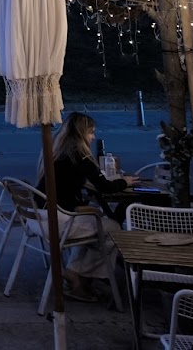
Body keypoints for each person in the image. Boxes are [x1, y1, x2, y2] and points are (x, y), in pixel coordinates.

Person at [37, 111, 138, 302]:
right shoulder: (80, 156)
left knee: (96, 223)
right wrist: (125, 181)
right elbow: (105, 187)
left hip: (39, 217)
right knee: (112, 228)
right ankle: (83, 276)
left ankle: (75, 273)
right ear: (82, 133)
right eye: (91, 132)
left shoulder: (56, 151)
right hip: (59, 221)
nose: (93, 137)